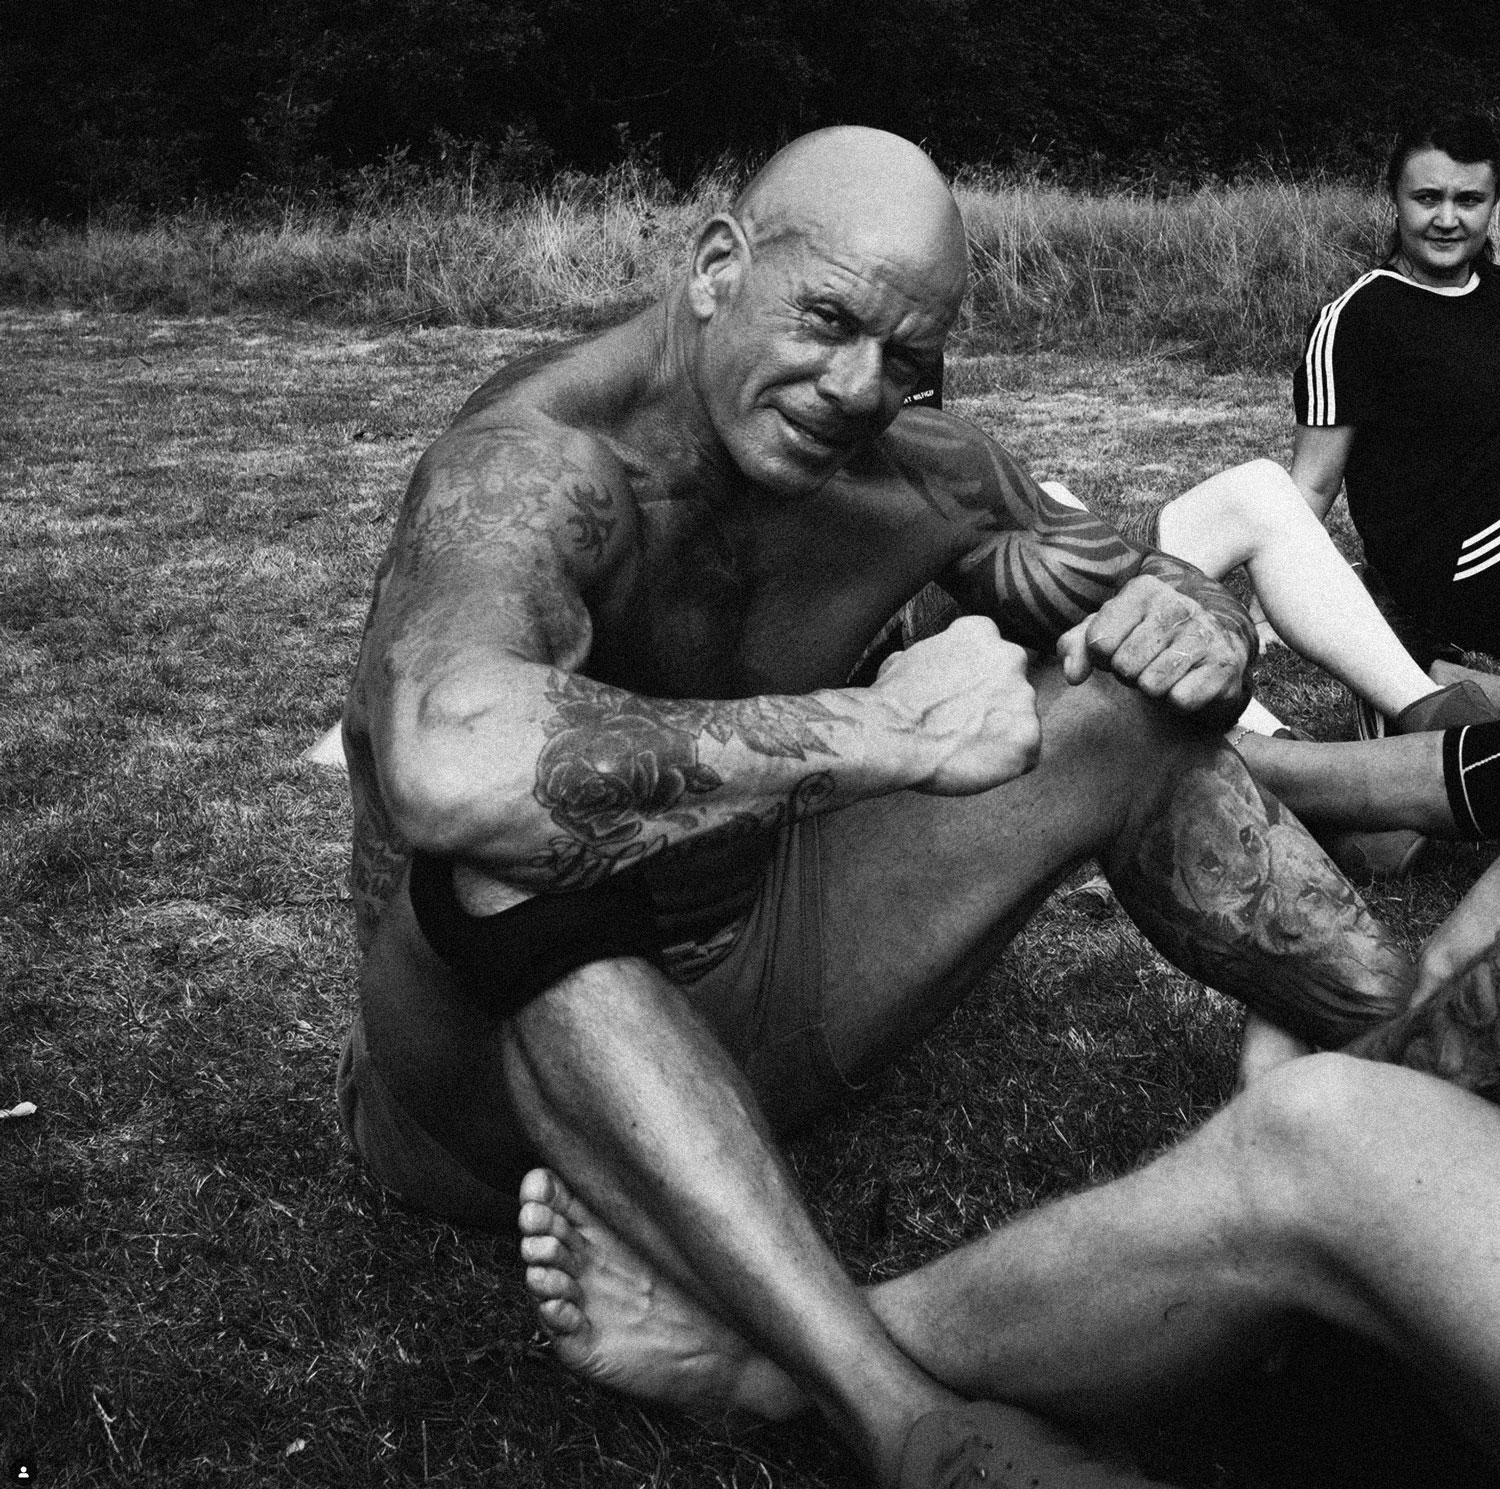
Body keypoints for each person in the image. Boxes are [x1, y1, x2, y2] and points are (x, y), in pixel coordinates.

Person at [334, 127, 1486, 1487]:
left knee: (1124, 711)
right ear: (717, 266)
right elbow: (449, 765)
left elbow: (1137, 577)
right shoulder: (535, 467)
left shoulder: (912, 465)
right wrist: (885, 730)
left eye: (904, 356)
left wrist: (1203, 632)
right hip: (489, 1095)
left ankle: (1414, 1064)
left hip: (756, 999)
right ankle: (900, 1417)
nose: (856, 388)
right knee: (515, 850)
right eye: (827, 321)